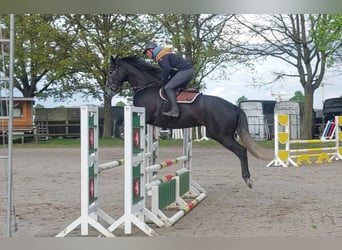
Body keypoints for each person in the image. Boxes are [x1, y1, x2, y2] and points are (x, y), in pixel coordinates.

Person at [143, 42, 195, 118]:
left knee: (168, 87)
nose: (147, 55)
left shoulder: (161, 56)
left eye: (147, 52)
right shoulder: (163, 54)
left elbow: (167, 69)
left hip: (185, 71)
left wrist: (163, 80)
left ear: (151, 49)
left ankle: (174, 111)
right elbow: (171, 70)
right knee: (175, 88)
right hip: (188, 71)